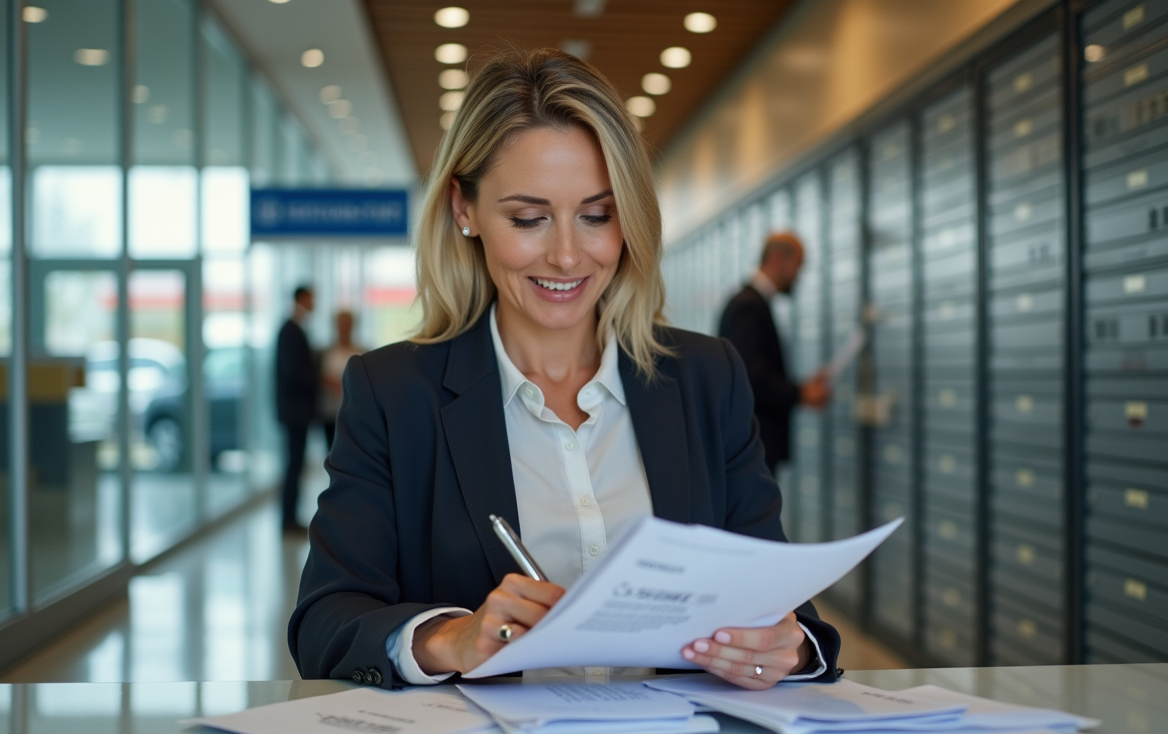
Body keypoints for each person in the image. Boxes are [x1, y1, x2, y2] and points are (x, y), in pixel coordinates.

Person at [288, 48, 840, 691]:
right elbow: (325, 622)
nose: (567, 255)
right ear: (464, 210)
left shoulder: (706, 377)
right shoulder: (393, 393)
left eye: (597, 215)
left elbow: (782, 605)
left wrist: (789, 647)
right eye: (529, 218)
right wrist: (450, 638)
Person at [718, 234, 830, 475]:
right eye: (798, 266)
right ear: (778, 259)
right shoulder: (748, 305)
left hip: (753, 444)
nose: (798, 276)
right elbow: (752, 376)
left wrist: (802, 388)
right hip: (752, 443)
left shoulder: (753, 302)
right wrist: (801, 393)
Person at [275, 285, 318, 534]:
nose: (314, 303)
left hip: (296, 411)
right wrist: (319, 378)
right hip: (294, 412)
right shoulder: (291, 331)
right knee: (293, 465)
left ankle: (290, 518)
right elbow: (294, 372)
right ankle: (288, 520)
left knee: (296, 464)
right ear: (302, 299)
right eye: (312, 298)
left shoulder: (294, 329)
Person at [319, 310, 365, 449]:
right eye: (341, 325)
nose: (344, 328)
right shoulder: (326, 352)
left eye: (347, 325)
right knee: (331, 450)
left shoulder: (362, 351)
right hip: (331, 411)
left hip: (355, 412)